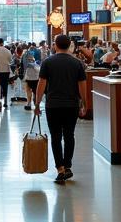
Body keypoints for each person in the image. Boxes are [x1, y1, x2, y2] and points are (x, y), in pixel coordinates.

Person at [34, 35, 87, 184]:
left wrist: (37, 103)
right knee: (69, 135)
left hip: (53, 105)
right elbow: (82, 85)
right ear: (69, 45)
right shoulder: (77, 63)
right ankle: (68, 165)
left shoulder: (47, 62)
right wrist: (84, 103)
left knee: (56, 137)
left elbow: (42, 84)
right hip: (71, 105)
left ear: (55, 45)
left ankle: (60, 169)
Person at [21, 43, 41, 109]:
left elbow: (24, 66)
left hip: (29, 76)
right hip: (36, 75)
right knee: (36, 90)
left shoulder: (25, 54)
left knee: (28, 89)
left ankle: (29, 103)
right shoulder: (38, 52)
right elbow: (40, 62)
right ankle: (36, 103)